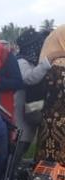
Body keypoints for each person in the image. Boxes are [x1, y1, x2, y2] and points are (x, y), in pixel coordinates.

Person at [14, 28, 65, 164]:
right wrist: (49, 59)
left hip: (40, 115)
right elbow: (29, 78)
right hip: (24, 115)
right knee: (17, 149)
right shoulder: (22, 61)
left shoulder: (38, 62)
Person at [36, 25, 65, 164]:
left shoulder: (47, 65)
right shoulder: (60, 66)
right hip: (60, 124)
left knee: (48, 164)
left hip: (48, 120)